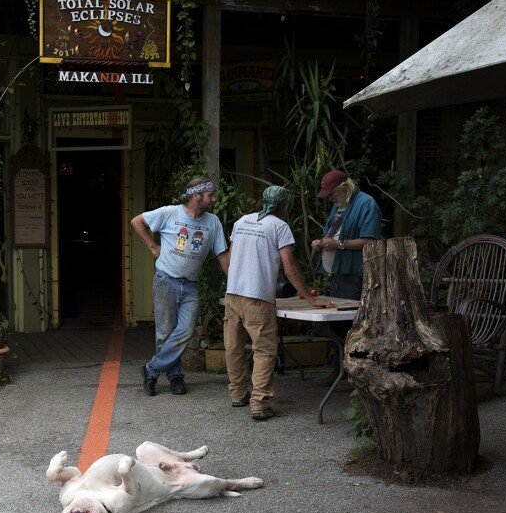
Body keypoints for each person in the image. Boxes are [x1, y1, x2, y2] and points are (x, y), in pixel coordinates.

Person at [224, 185, 327, 420]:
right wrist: (310, 298)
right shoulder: (280, 227)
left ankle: (238, 395)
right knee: (264, 350)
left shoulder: (241, 222)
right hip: (258, 297)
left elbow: (229, 261)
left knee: (234, 346)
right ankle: (259, 404)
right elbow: (289, 267)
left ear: (261, 201)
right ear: (283, 205)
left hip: (233, 294)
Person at [130, 177, 229, 396]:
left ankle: (151, 369)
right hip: (166, 279)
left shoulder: (213, 222)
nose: (213, 199)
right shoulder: (170, 213)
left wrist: (236, 285)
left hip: (190, 285)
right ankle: (175, 377)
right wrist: (153, 246)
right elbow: (137, 221)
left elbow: (223, 256)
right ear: (197, 196)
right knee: (165, 332)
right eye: (210, 196)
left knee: (185, 330)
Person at [311, 170, 382, 384]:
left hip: (355, 273)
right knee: (337, 323)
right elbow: (330, 233)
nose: (330, 198)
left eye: (331, 193)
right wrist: (320, 242)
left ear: (344, 188)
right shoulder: (339, 207)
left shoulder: (366, 204)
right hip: (337, 272)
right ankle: (339, 369)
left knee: (352, 323)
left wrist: (339, 245)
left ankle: (354, 372)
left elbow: (371, 241)